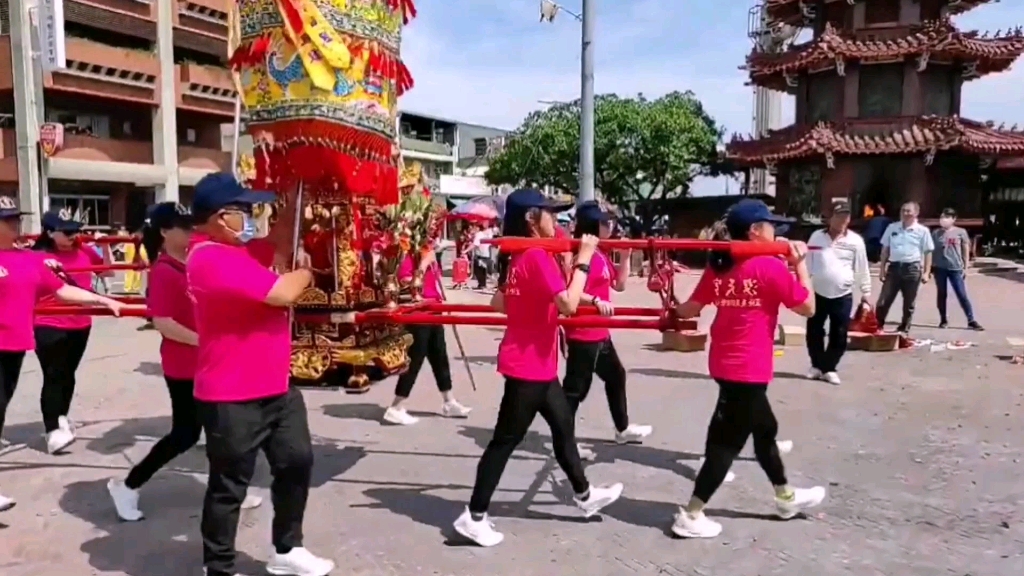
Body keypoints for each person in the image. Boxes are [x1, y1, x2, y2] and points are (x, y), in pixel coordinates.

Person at [453, 188, 624, 547]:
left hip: (539, 365)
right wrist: (584, 260)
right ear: (533, 220)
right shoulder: (536, 256)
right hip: (527, 367)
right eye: (549, 213)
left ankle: (584, 494)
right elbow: (567, 305)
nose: (556, 219)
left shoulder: (520, 257)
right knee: (503, 442)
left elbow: (502, 302)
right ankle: (473, 515)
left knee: (563, 429)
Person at [185, 173, 333, 576]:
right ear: (220, 217)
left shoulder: (239, 251)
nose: (252, 218)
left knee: (296, 462)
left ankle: (287, 549)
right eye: (245, 211)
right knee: (229, 486)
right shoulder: (209, 257)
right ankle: (218, 566)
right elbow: (283, 292)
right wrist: (306, 274)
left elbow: (281, 239)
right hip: (231, 394)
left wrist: (291, 198)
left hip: (276, 387)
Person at [672, 199, 826, 539]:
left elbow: (689, 309)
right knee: (726, 446)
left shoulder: (720, 265)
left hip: (725, 363)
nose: (776, 231)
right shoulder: (770, 267)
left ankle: (785, 498)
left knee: (764, 429)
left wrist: (668, 305)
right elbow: (809, 308)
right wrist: (800, 265)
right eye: (770, 226)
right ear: (756, 232)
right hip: (747, 369)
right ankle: (691, 514)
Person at [106, 202, 262, 521]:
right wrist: (208, 341)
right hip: (184, 366)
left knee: (223, 431)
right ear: (164, 232)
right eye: (182, 225)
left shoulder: (193, 261)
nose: (190, 230)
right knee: (188, 434)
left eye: (190, 224)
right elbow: (163, 322)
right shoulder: (164, 271)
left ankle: (230, 491)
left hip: (209, 361)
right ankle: (127, 485)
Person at [0, 196, 123, 511]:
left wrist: (103, 301)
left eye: (16, 218)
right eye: (7, 220)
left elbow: (63, 289)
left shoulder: (29, 259)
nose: (15, 224)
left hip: (13, 348)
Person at [563, 201, 651, 460]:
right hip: (583, 331)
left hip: (601, 332)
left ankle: (622, 429)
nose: (610, 225)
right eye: (604, 222)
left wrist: (624, 257)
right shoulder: (581, 254)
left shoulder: (600, 253)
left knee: (616, 376)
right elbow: (571, 292)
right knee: (575, 391)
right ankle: (566, 442)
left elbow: (619, 285)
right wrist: (596, 301)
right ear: (592, 225)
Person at [32, 209, 116, 454]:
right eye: (67, 231)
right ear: (50, 233)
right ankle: (52, 430)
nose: (74, 235)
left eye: (76, 229)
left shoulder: (84, 249)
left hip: (81, 323)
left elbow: (107, 272)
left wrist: (104, 246)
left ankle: (61, 417)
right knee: (54, 374)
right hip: (48, 321)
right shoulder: (38, 256)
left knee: (68, 374)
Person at [382, 249, 472, 425]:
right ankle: (396, 406)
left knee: (440, 357)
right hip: (418, 313)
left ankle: (449, 400)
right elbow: (404, 281)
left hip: (434, 309)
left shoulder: (429, 255)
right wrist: (422, 265)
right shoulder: (409, 255)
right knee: (414, 360)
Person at [804, 201, 871, 385]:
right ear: (830, 218)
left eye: (846, 216)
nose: (843, 219)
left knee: (840, 333)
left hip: (843, 294)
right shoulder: (816, 237)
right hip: (818, 291)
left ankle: (829, 367)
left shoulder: (855, 241)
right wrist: (804, 286)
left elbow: (862, 268)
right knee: (814, 330)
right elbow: (807, 263)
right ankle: (816, 365)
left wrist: (866, 293)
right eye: (839, 215)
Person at [875, 201, 933, 333]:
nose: (905, 213)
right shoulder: (892, 228)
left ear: (916, 213)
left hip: (912, 269)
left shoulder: (922, 231)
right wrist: (882, 269)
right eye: (903, 211)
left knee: (909, 302)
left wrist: (926, 272)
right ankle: (878, 325)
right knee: (884, 300)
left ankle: (904, 328)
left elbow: (928, 251)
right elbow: (885, 249)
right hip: (894, 268)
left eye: (908, 211)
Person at [932, 208, 983, 331]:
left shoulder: (961, 232)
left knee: (961, 294)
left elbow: (965, 249)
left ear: (954, 219)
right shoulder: (936, 233)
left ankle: (971, 320)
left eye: (947, 217)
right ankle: (943, 319)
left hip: (955, 268)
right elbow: (929, 250)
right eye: (943, 217)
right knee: (941, 294)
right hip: (940, 268)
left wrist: (966, 267)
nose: (944, 219)